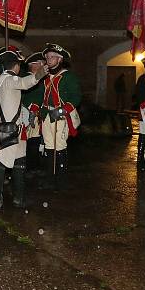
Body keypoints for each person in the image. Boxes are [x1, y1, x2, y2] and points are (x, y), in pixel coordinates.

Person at [0, 51, 47, 209]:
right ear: (16, 66)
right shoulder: (10, 79)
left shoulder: (2, 79)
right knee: (2, 166)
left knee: (17, 164)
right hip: (9, 130)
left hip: (11, 129)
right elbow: (25, 83)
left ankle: (17, 198)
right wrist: (41, 72)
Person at [40, 44, 81, 189]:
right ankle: (49, 179)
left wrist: (63, 111)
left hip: (60, 116)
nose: (49, 60)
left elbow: (76, 97)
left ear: (60, 59)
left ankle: (61, 180)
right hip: (46, 115)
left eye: (52, 57)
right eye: (47, 57)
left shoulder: (68, 76)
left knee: (60, 148)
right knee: (49, 148)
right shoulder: (44, 76)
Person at [21, 52, 46, 175]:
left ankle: (34, 165)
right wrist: (33, 107)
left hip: (37, 114)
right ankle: (27, 167)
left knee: (35, 140)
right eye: (40, 63)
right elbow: (32, 95)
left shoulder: (41, 78)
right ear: (33, 65)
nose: (42, 65)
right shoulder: (28, 77)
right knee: (28, 141)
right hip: (27, 113)